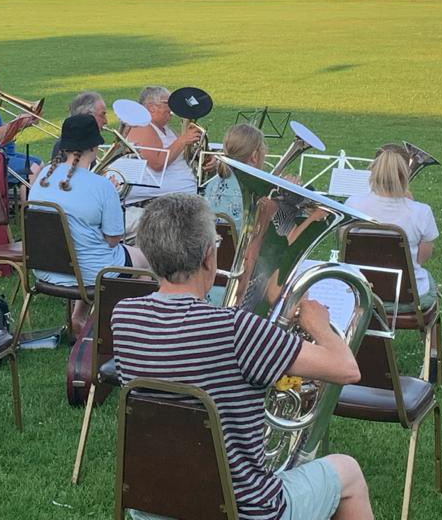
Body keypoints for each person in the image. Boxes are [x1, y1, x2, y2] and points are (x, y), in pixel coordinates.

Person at [112, 193, 372, 520]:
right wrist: (318, 325)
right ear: (209, 257)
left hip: (155, 505)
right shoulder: (237, 329)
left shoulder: (124, 317)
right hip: (241, 510)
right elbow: (346, 369)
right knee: (347, 471)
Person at [29, 114, 149, 337]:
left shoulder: (44, 175)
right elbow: (113, 239)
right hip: (88, 272)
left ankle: (79, 317)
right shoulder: (102, 186)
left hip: (45, 269)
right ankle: (128, 332)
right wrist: (111, 198)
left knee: (89, 249)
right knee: (145, 261)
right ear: (94, 146)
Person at [346, 147, 440, 310]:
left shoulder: (352, 204)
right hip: (407, 297)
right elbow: (421, 259)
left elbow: (344, 245)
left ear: (373, 173)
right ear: (405, 175)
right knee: (428, 280)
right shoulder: (421, 211)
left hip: (360, 293)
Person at [121, 86, 202, 235]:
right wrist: (183, 140)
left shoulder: (165, 129)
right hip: (162, 199)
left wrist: (201, 157)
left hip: (181, 196)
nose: (172, 109)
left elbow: (176, 154)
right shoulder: (142, 127)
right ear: (151, 107)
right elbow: (157, 163)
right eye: (168, 103)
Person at [203, 123, 267, 230]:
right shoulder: (256, 190)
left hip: (214, 239)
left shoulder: (213, 183)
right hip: (241, 239)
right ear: (254, 156)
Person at [50, 91, 107, 160]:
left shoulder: (87, 143)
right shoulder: (66, 146)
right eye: (102, 114)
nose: (106, 121)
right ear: (87, 115)